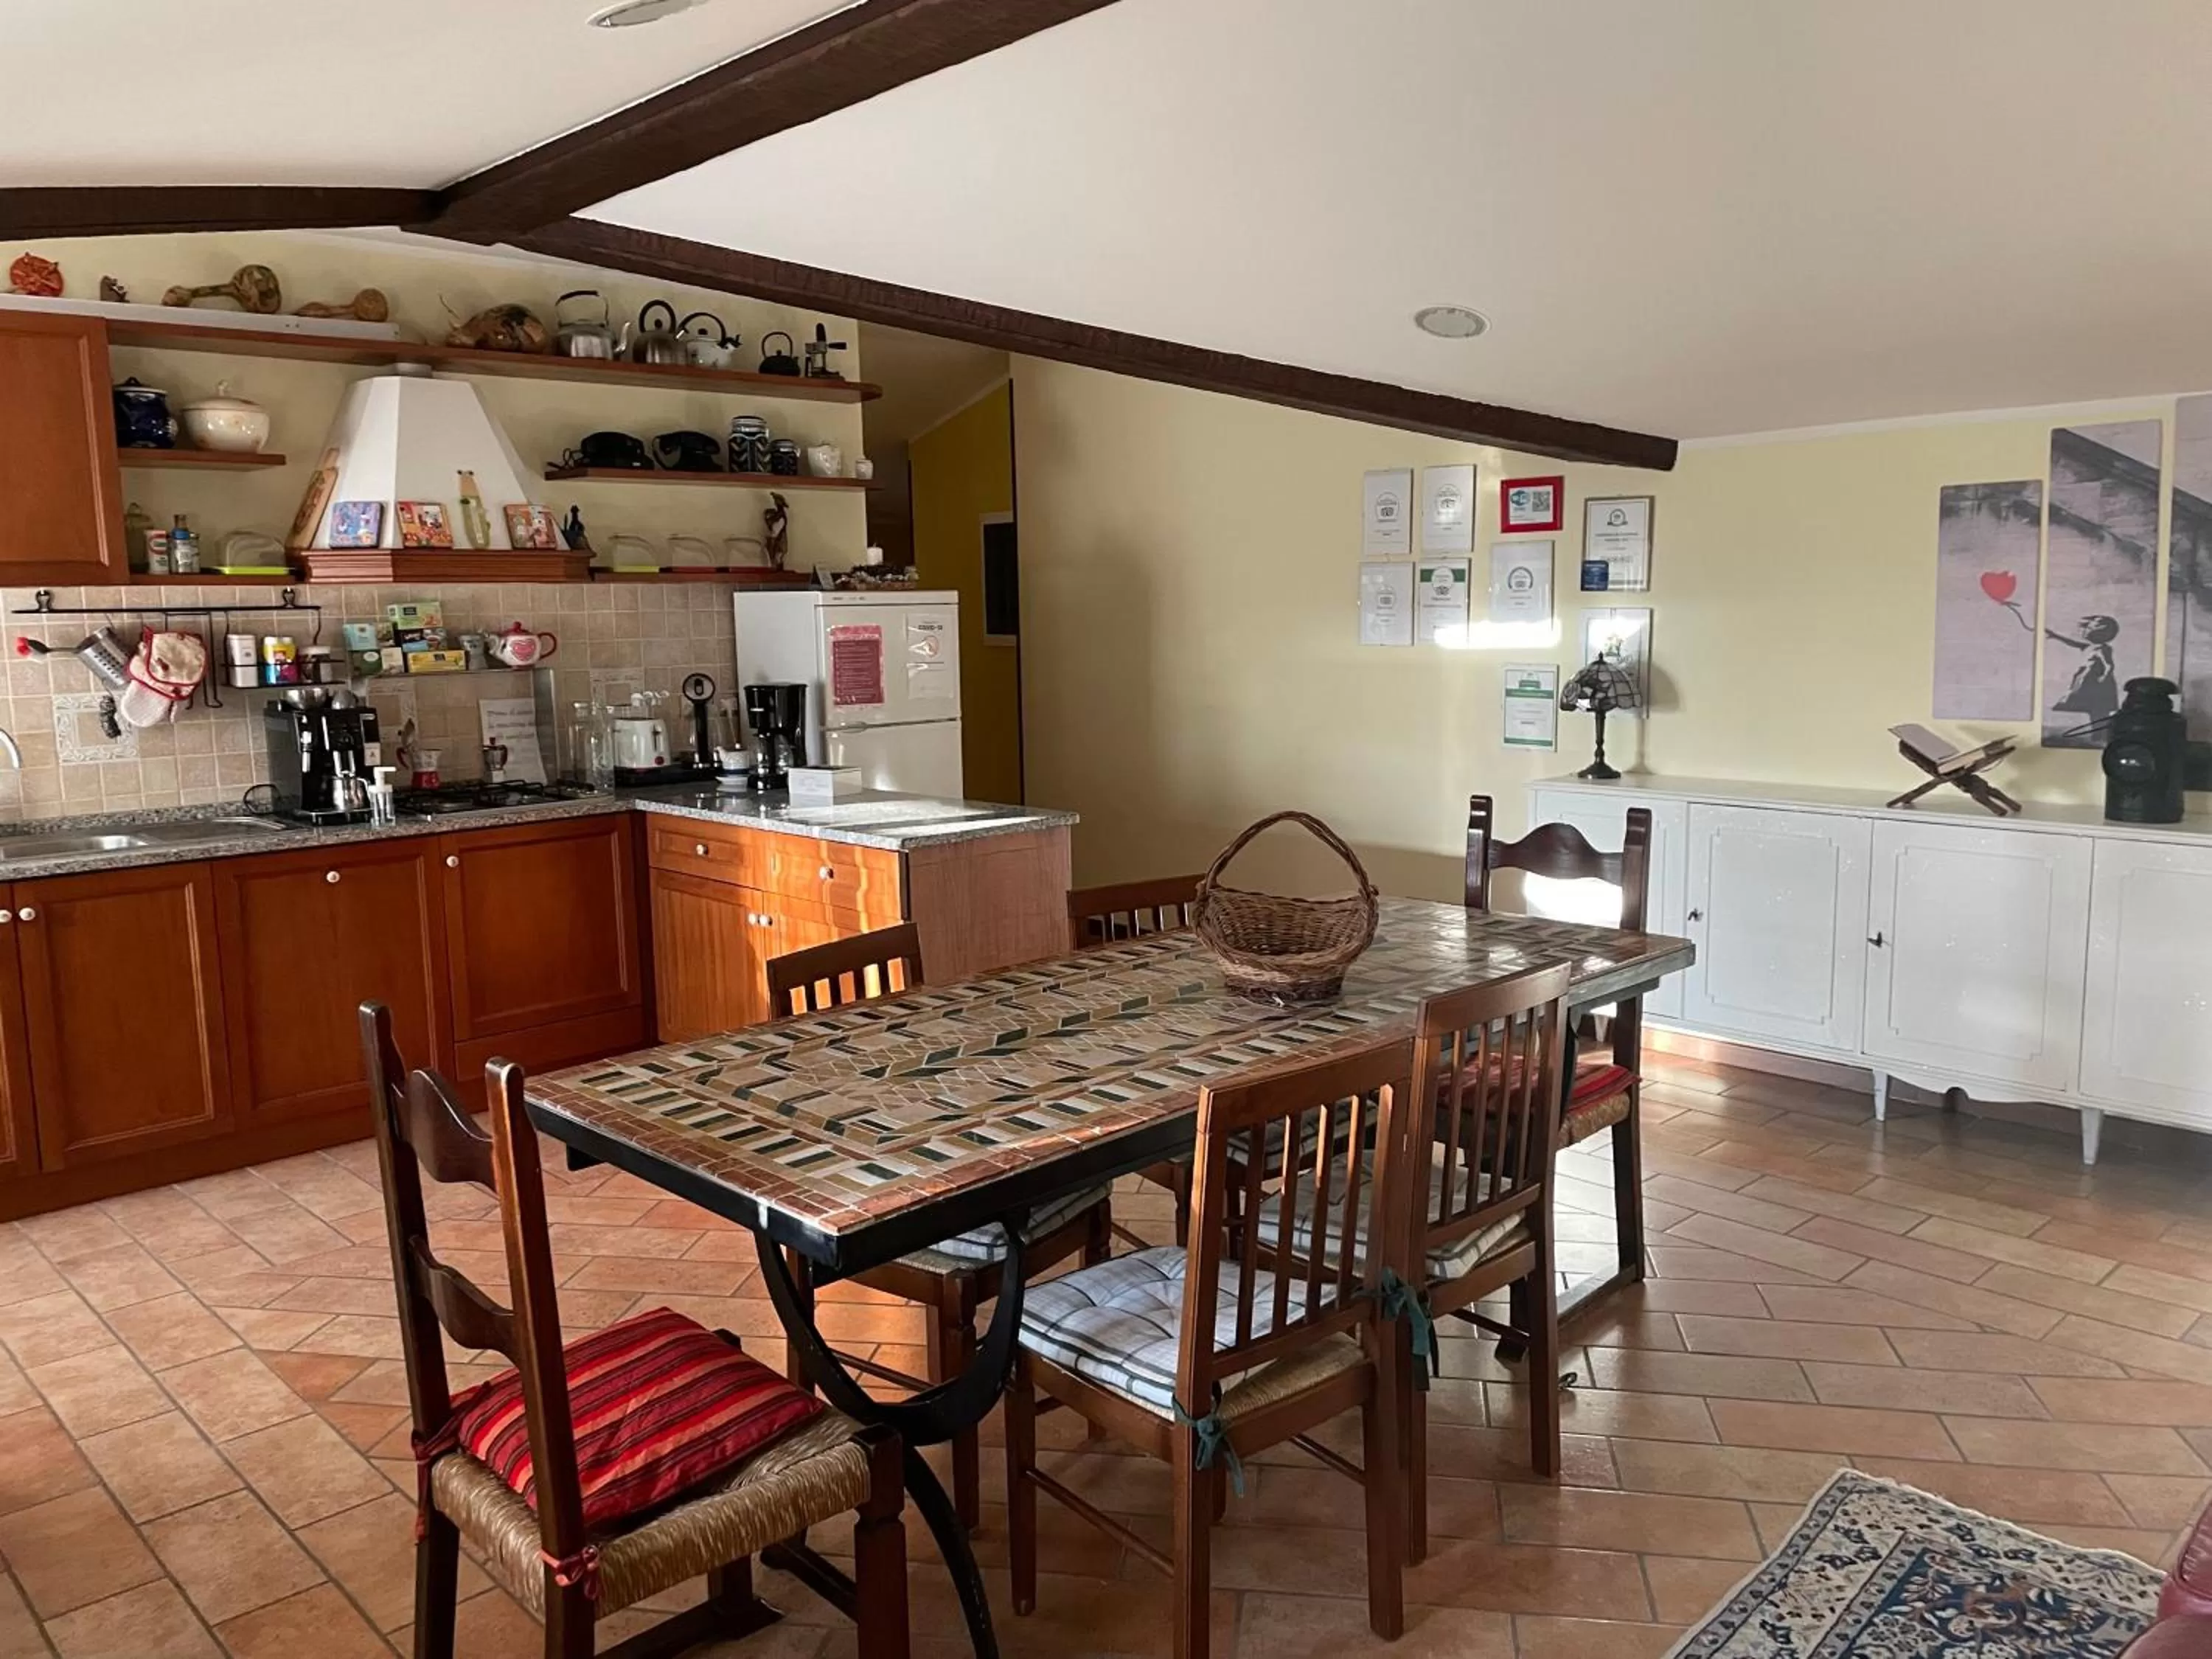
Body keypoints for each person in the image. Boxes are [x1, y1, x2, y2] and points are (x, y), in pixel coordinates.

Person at [2047, 613, 2119, 723]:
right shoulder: (2091, 647)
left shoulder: (2102, 649)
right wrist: (2055, 636)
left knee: (2098, 710)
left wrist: (2103, 678)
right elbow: (2073, 643)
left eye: (2088, 628)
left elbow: (2109, 665)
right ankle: (2097, 734)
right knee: (2093, 708)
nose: (2083, 632)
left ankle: (2099, 734)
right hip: (2086, 680)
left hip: (2096, 683)